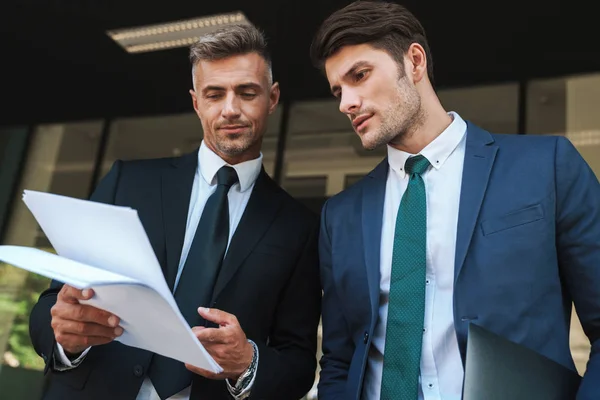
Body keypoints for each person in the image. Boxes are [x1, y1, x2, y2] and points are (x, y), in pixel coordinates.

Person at [309, 1, 600, 399]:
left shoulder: (546, 167)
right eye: (338, 90)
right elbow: (340, 359)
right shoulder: (339, 216)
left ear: (414, 62)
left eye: (360, 75)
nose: (346, 103)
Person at [29, 24, 321, 400]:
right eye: (215, 94)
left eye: (247, 93)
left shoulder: (299, 228)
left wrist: (248, 361)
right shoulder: (127, 183)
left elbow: (298, 364)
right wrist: (65, 336)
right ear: (197, 102)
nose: (230, 109)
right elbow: (53, 305)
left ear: (273, 97)